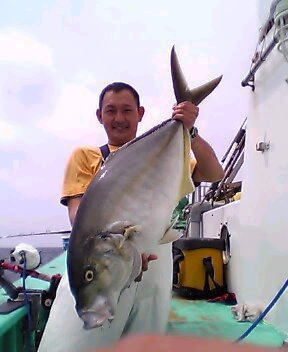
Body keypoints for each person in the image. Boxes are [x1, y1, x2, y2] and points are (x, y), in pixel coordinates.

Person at [38, 82, 224, 352]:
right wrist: (123, 250)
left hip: (156, 264)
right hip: (107, 258)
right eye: (110, 110)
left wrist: (189, 130)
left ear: (140, 113)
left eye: (127, 110)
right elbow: (78, 215)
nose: (119, 118)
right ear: (99, 115)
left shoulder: (170, 155)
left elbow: (214, 173)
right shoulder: (85, 156)